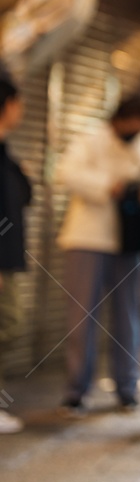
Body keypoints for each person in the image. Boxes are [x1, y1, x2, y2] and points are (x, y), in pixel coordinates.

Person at [55, 96, 140, 415]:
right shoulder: (89, 140)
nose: (134, 130)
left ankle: (127, 389)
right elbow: (64, 173)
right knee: (82, 315)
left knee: (128, 314)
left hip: (130, 243)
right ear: (117, 120)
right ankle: (76, 390)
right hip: (88, 238)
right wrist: (108, 186)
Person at [0, 78, 32, 434]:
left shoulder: (6, 151)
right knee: (6, 325)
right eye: (18, 102)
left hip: (9, 260)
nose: (22, 110)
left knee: (8, 325)